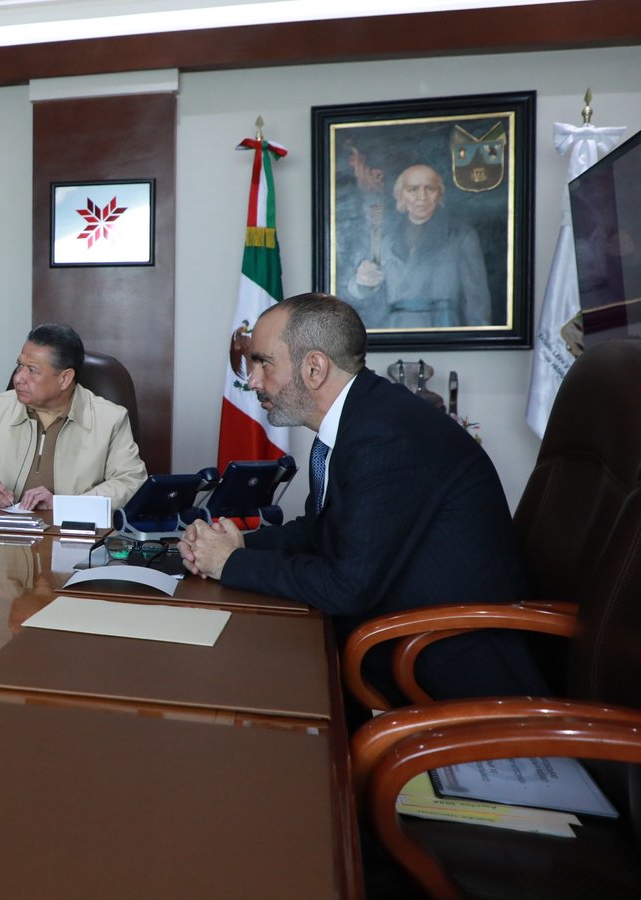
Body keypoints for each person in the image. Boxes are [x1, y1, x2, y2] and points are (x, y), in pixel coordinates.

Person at [179, 292, 545, 703]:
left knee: (246, 675)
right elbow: (322, 529)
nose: (252, 381)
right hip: (401, 635)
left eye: (264, 362)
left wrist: (230, 563)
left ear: (314, 368)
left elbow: (346, 587)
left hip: (448, 664)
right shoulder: (364, 416)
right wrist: (239, 544)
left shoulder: (385, 435)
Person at [0, 323, 146, 511]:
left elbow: (130, 483)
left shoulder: (110, 419)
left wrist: (63, 504)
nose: (18, 377)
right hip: (2, 533)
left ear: (65, 378)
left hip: (71, 535)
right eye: (19, 365)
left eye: (32, 370)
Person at [345, 161, 494, 329]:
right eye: (413, 189)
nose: (422, 197)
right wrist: (362, 281)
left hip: (443, 330)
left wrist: (480, 339)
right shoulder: (386, 239)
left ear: (439, 194)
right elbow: (355, 291)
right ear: (400, 195)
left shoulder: (461, 236)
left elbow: (477, 302)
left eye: (430, 188)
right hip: (395, 331)